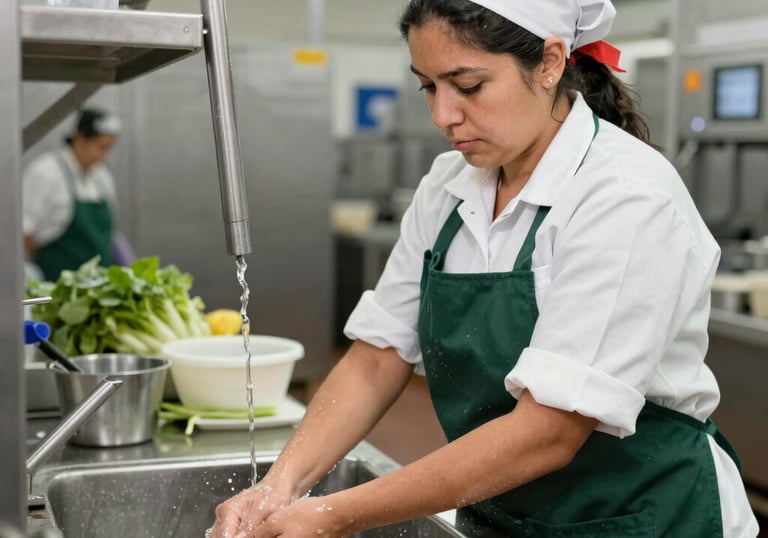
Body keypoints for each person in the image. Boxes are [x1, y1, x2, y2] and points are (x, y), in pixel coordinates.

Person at [211, 1, 760, 536]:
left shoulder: (626, 196)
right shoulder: (447, 186)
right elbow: (378, 358)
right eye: (429, 87)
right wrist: (278, 486)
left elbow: (549, 432)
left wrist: (335, 513)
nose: (442, 116)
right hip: (504, 512)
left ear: (549, 63)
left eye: (468, 86)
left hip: (643, 517)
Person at [22, 107, 124, 281]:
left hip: (101, 287)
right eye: (101, 147)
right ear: (80, 139)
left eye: (109, 149)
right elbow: (24, 234)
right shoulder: (45, 173)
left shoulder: (102, 176)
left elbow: (108, 234)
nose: (104, 156)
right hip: (56, 287)